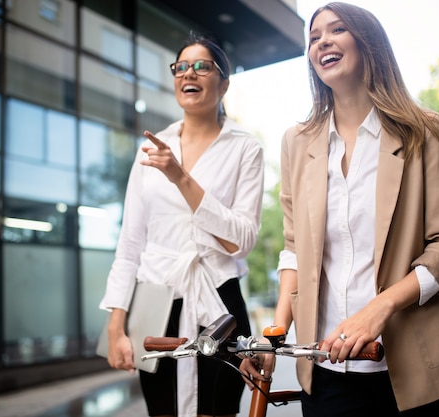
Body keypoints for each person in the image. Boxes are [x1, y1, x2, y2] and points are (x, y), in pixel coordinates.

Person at [241, 2, 439, 416]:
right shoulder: (297, 143)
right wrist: (273, 338)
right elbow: (295, 250)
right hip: (329, 371)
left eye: (336, 30)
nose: (322, 42)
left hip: (422, 372)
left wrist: (379, 309)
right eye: (314, 37)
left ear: (368, 43)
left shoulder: (424, 131)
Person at [99, 32, 265, 417]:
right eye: (181, 67)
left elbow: (240, 240)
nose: (189, 73)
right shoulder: (152, 150)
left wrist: (181, 176)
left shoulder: (245, 148)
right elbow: (130, 246)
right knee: (162, 411)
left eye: (202, 66)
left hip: (219, 302)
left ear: (224, 82)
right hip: (155, 302)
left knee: (219, 409)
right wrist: (115, 327)